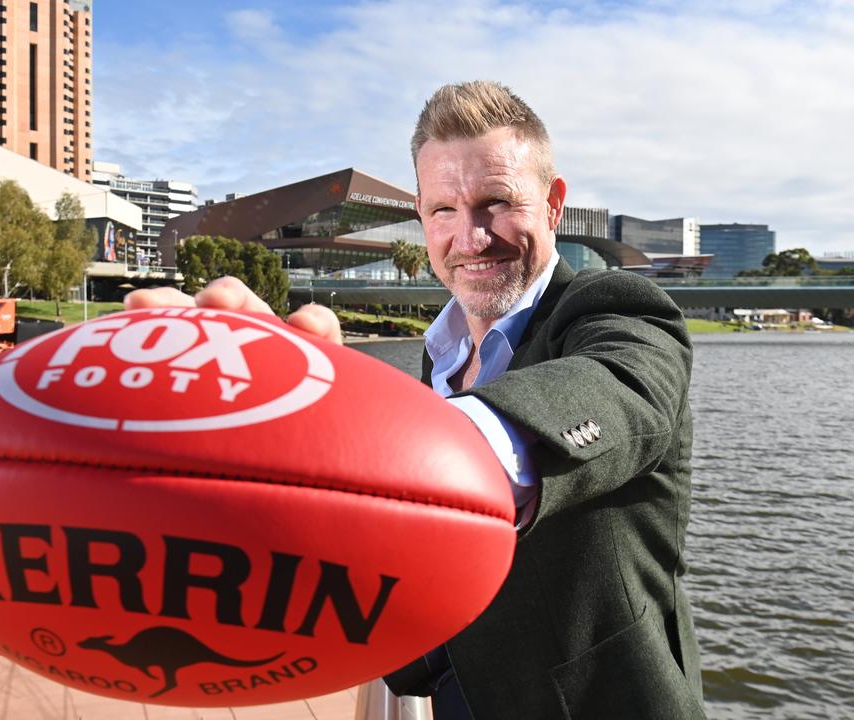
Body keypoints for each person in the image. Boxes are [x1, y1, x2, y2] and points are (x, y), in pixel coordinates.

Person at [128, 80, 704, 719]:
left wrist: (385, 446)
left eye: (496, 202)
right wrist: (299, 414)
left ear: (553, 202)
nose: (471, 238)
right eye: (443, 211)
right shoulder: (441, 354)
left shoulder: (613, 308)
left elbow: (621, 389)